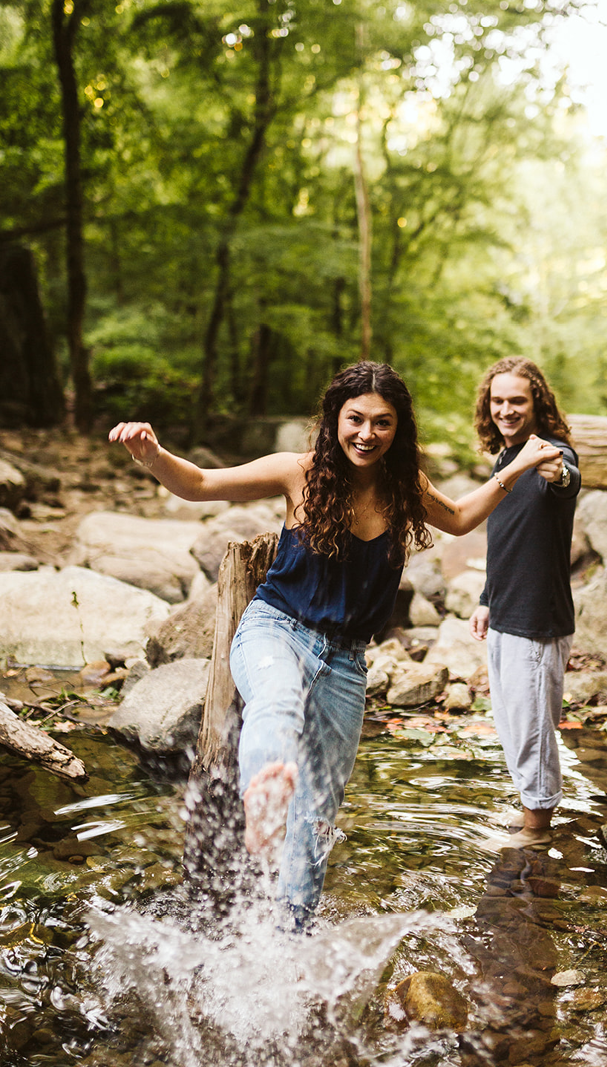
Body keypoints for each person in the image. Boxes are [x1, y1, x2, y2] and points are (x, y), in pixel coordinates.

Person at [109, 360, 566, 928]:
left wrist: (517, 466)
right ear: (334, 419)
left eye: (382, 423)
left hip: (346, 665)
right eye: (355, 419)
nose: (366, 434)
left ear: (399, 430)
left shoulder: (405, 485)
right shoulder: (297, 472)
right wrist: (152, 456)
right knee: (274, 703)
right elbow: (200, 484)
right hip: (275, 631)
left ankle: (291, 930)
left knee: (320, 813)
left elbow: (462, 519)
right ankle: (264, 794)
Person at [466, 356, 580, 849]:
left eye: (517, 400)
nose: (506, 410)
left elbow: (566, 476)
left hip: (538, 619)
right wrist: (486, 598)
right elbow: (504, 538)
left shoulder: (551, 453)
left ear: (537, 403)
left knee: (532, 728)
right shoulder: (505, 461)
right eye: (498, 401)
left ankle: (537, 834)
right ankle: (531, 813)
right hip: (506, 612)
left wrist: (553, 469)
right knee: (513, 723)